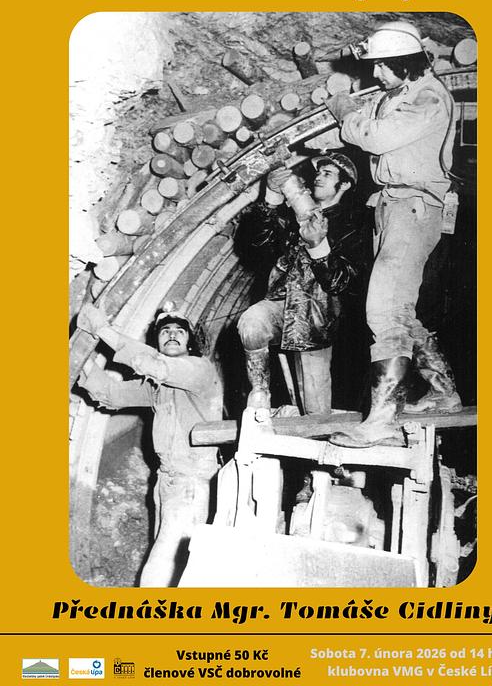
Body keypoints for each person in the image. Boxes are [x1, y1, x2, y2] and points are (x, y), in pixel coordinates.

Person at [326, 20, 462, 448]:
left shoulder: (428, 97)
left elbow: (376, 137)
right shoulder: (400, 93)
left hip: (414, 207)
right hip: (391, 205)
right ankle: (444, 392)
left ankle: (382, 418)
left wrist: (344, 109)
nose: (376, 74)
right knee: (400, 308)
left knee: (384, 310)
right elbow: (365, 128)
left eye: (382, 66)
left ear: (404, 63)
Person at [77, 302, 222, 586]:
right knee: (170, 570)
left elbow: (154, 364)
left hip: (191, 484)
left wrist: (103, 329)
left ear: (190, 343)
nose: (171, 335)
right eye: (164, 331)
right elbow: (112, 393)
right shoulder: (159, 387)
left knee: (160, 570)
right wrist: (82, 360)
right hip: (166, 482)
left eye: (179, 331)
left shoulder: (199, 369)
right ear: (156, 340)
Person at [236, 153, 363, 414]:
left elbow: (341, 283)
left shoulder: (353, 223)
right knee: (252, 322)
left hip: (320, 320)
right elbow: (258, 246)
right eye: (318, 172)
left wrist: (318, 247)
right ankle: (259, 392)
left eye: (328, 173)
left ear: (345, 184)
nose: (318, 177)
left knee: (316, 412)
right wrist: (271, 196)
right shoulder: (294, 217)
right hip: (282, 305)